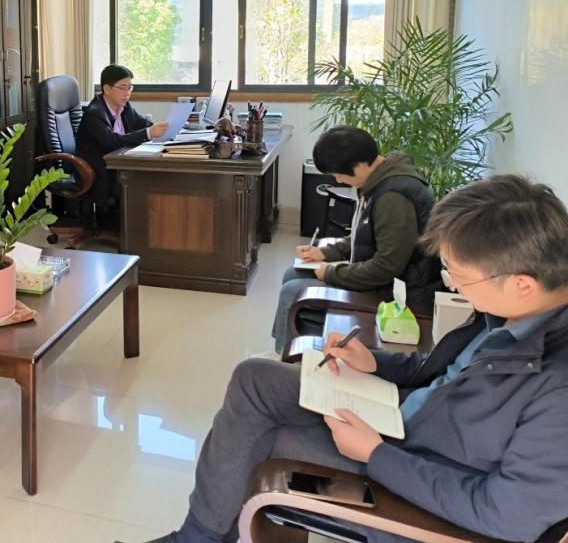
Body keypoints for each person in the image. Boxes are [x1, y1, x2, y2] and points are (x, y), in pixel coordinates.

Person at [138, 175, 568, 543]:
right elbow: (443, 371)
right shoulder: (512, 313)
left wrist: (376, 454)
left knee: (261, 442)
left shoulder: (558, 388)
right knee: (255, 378)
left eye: (458, 276)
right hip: (403, 422)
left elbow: (507, 516)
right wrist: (375, 362)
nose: (452, 285)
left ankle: (197, 538)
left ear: (522, 284)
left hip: (414, 478)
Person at [271, 126, 437, 354]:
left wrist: (331, 273)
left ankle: (285, 357)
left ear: (358, 165)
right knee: (293, 273)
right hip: (387, 279)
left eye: (338, 174)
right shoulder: (380, 179)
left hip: (400, 293)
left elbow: (387, 266)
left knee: (293, 290)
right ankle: (285, 350)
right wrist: (325, 253)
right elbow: (366, 236)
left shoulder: (392, 198)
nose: (338, 180)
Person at [75, 64, 169, 207]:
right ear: (107, 89)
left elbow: (141, 123)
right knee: (146, 181)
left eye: (130, 87)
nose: (127, 93)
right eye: (123, 87)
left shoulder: (124, 106)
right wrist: (149, 132)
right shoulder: (93, 113)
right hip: (100, 171)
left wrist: (160, 128)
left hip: (118, 165)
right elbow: (111, 141)